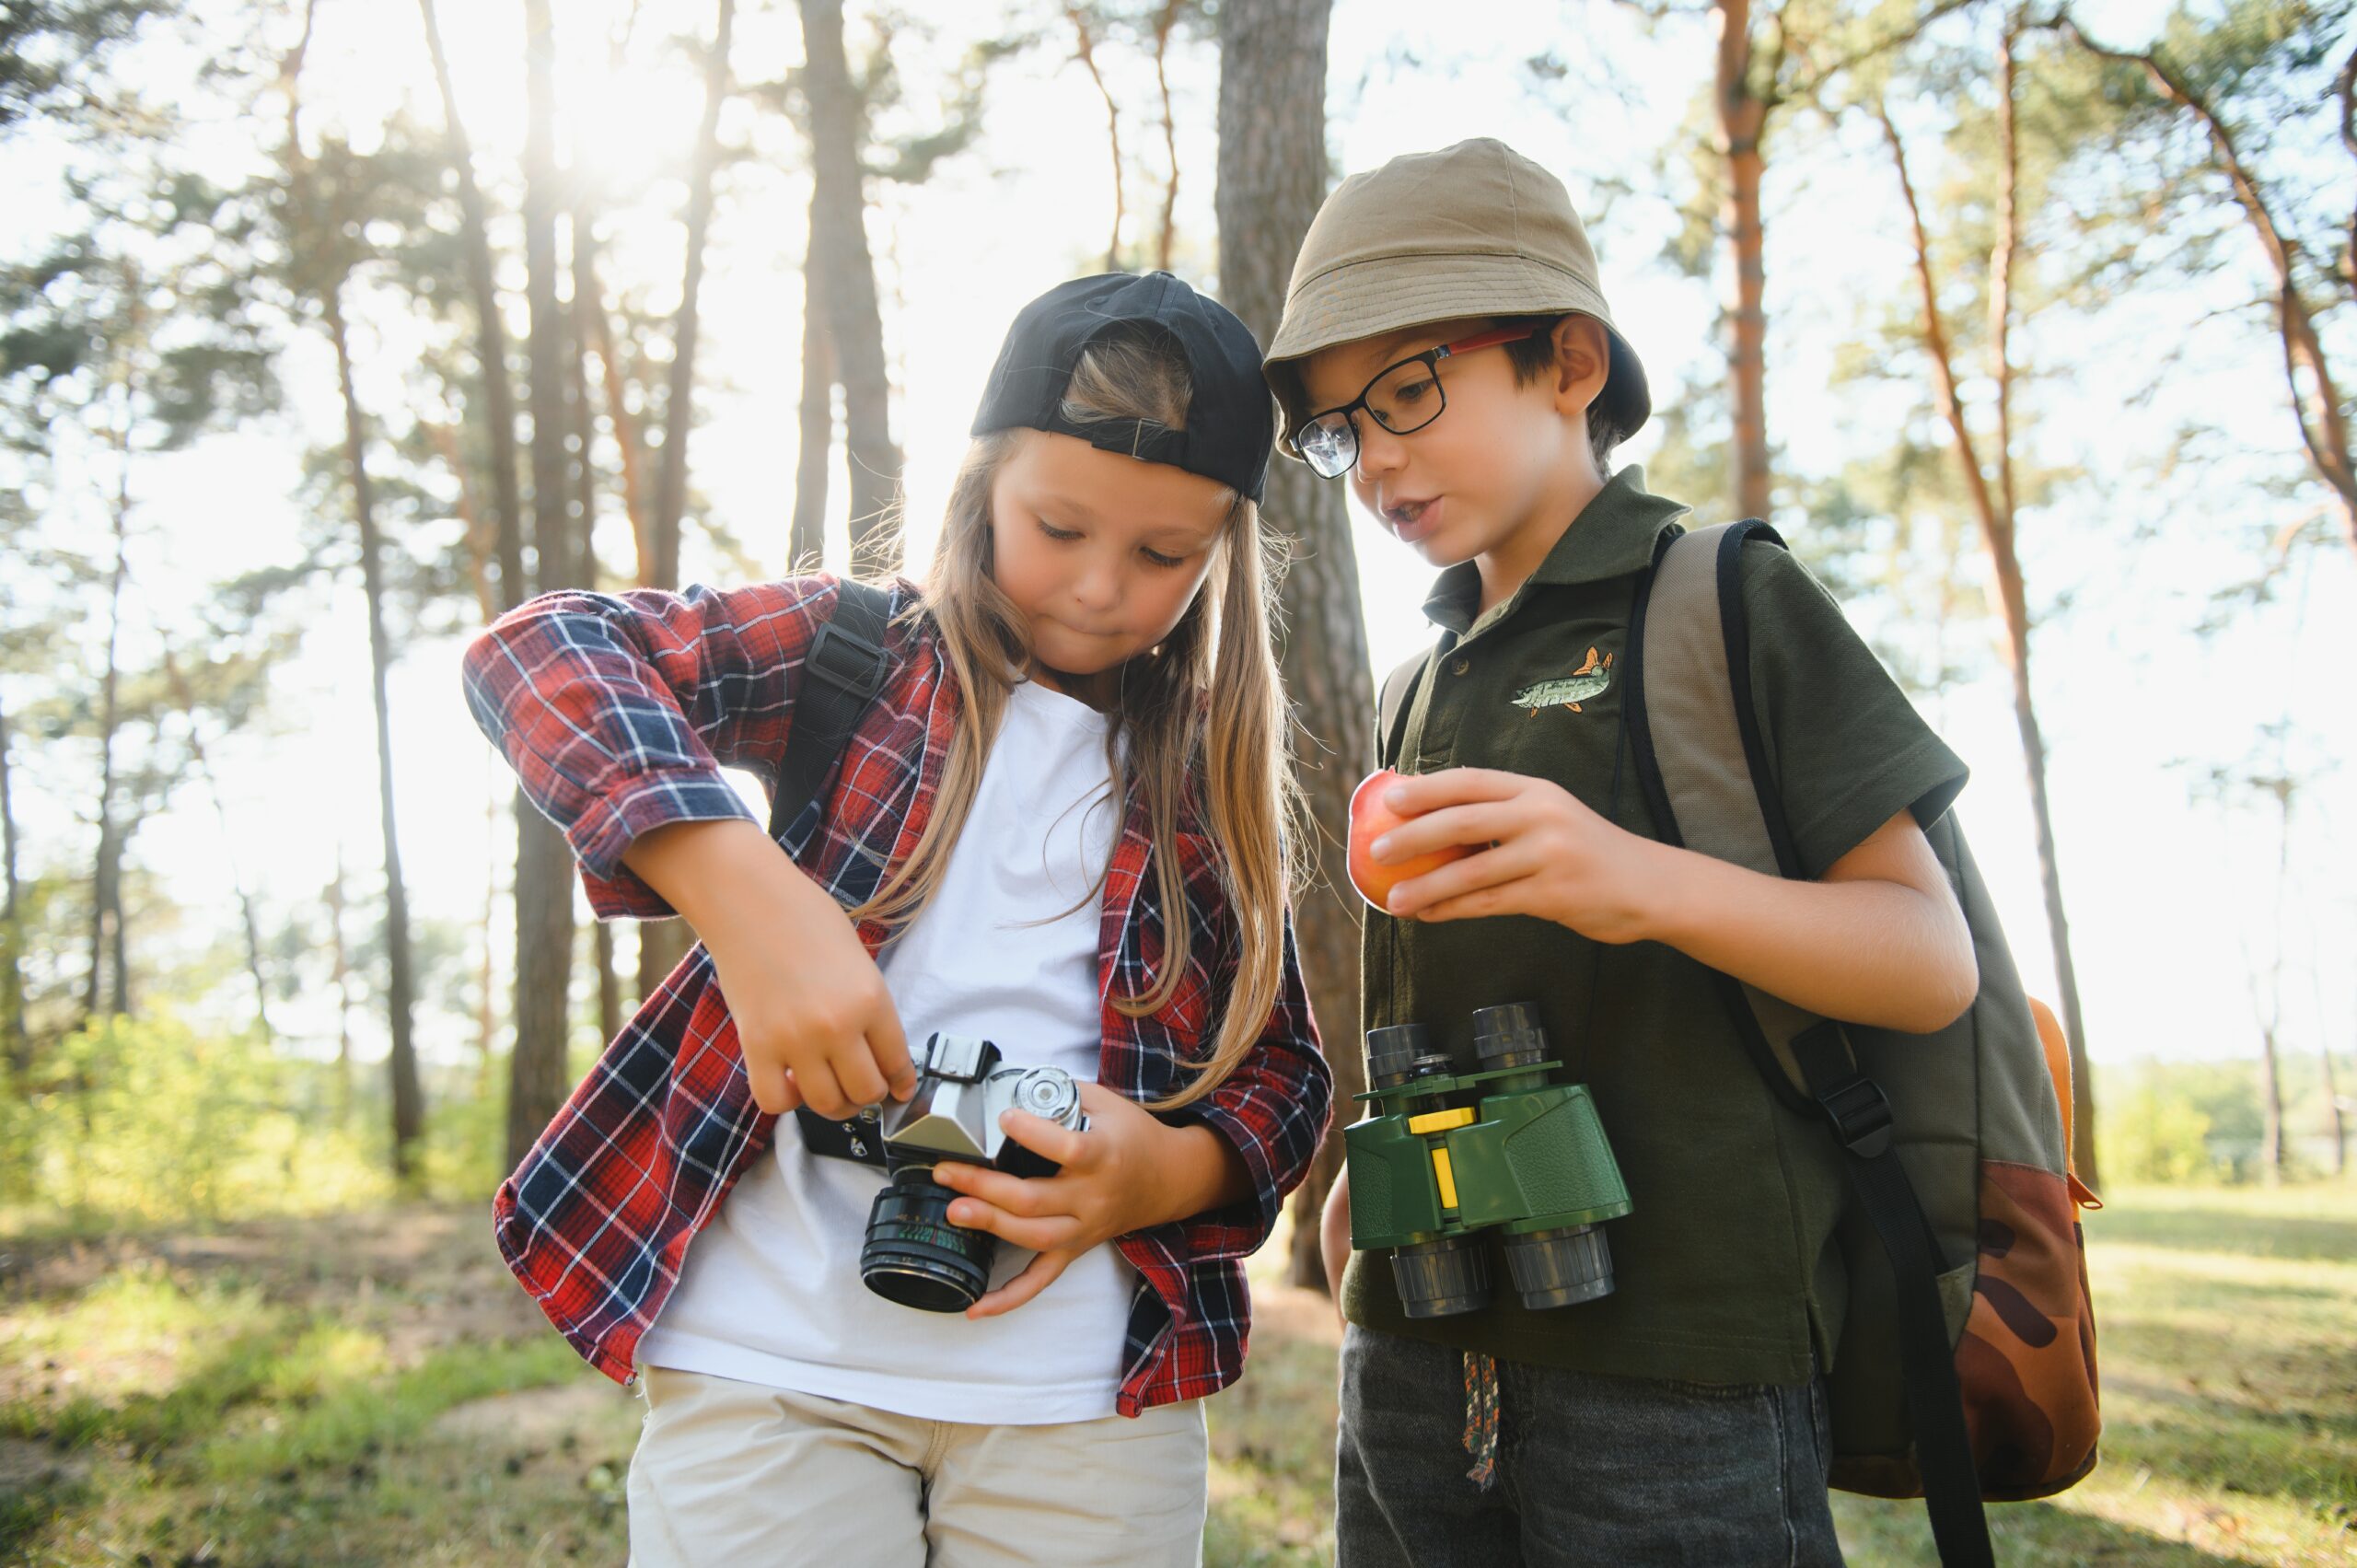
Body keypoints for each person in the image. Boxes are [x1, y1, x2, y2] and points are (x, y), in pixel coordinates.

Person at [463, 271, 1332, 1568]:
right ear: (980, 484)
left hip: (1083, 1402)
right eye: (1058, 526)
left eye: (1164, 557)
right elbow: (538, 652)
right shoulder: (850, 656)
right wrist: (745, 896)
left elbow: (1280, 1084)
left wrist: (1161, 1172)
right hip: (772, 1365)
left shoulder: (1200, 777)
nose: (1100, 589)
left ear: (1221, 559)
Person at [1261, 138, 1979, 1566]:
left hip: (1676, 1372)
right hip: (1413, 1353)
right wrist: (1368, 1196)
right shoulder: (1422, 676)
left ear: (1571, 361)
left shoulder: (1722, 600)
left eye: (1408, 388)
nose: (1378, 457)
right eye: (1343, 428)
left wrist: (1638, 879)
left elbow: (1925, 959)